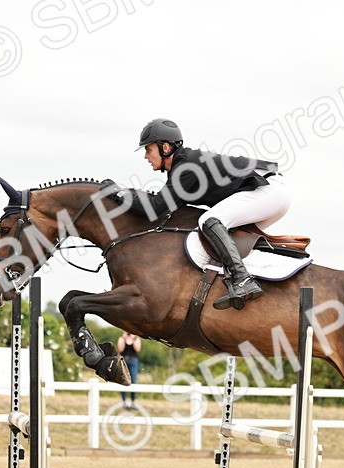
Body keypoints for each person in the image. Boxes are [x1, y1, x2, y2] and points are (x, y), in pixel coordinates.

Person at [120, 117, 289, 311]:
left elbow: (155, 208)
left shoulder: (185, 167)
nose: (146, 156)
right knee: (221, 236)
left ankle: (242, 280)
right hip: (269, 193)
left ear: (165, 147)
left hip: (266, 190)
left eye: (148, 150)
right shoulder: (183, 166)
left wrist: (118, 195)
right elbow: (164, 207)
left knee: (208, 221)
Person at [116, 332, 142, 409]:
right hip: (124, 361)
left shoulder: (136, 338)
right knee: (123, 380)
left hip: (133, 361)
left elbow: (138, 349)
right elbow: (120, 349)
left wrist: (133, 339)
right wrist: (124, 338)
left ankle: (133, 401)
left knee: (133, 381)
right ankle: (123, 401)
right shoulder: (121, 338)